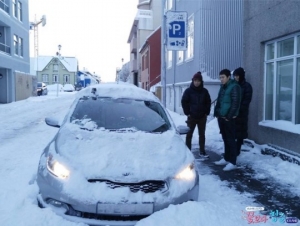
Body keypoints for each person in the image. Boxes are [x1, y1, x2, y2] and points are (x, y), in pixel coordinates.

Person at [214, 69, 241, 171]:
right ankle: (226, 158)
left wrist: (229, 117)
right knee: (225, 139)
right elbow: (219, 101)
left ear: (228, 77)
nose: (221, 79)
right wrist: (217, 113)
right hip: (222, 117)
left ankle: (232, 162)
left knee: (231, 140)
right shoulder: (223, 87)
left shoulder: (234, 87)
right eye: (220, 77)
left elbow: (235, 104)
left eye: (223, 77)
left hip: (229, 119)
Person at [181, 71, 211, 157]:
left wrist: (206, 112)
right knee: (189, 135)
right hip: (192, 117)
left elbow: (208, 102)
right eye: (195, 81)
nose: (196, 82)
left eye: (198, 81)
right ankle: (188, 152)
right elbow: (184, 101)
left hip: (202, 117)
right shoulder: (188, 91)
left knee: (202, 135)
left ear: (201, 82)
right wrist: (187, 113)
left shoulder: (204, 91)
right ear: (193, 81)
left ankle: (202, 151)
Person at [233, 67, 253, 156]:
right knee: (233, 133)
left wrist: (238, 109)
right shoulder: (233, 85)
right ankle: (233, 151)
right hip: (233, 113)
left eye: (237, 76)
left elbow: (246, 101)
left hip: (241, 113)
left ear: (241, 76)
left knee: (239, 133)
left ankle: (237, 151)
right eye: (235, 76)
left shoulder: (247, 86)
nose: (236, 77)